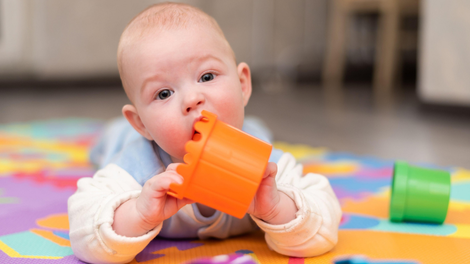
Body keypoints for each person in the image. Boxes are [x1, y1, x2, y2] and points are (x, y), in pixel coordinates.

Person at [68, 2, 342, 264]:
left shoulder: (266, 168)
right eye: (164, 93)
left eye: (207, 77)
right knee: (111, 142)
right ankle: (114, 132)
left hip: (250, 135)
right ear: (141, 123)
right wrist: (138, 213)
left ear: (243, 85)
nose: (192, 99)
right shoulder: (139, 167)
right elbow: (83, 230)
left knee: (255, 130)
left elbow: (325, 225)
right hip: (124, 141)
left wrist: (276, 208)